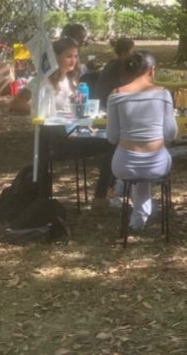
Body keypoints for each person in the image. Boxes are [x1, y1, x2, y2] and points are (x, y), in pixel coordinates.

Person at [32, 37, 114, 204]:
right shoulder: (43, 82)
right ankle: (102, 196)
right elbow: (22, 107)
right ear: (56, 57)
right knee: (112, 143)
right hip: (56, 139)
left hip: (74, 131)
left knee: (113, 138)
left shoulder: (71, 80)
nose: (73, 61)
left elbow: (74, 111)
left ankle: (104, 193)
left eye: (76, 56)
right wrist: (50, 113)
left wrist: (85, 121)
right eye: (69, 56)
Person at [106, 51, 176, 232]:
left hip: (124, 165)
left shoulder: (115, 94)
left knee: (134, 174)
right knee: (151, 163)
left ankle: (133, 207)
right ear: (152, 71)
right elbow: (171, 134)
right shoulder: (163, 94)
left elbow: (112, 137)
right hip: (157, 164)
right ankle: (139, 214)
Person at [93, 37, 135, 106]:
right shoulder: (122, 65)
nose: (132, 54)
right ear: (124, 52)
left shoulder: (112, 63)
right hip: (108, 102)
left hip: (104, 99)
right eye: (131, 51)